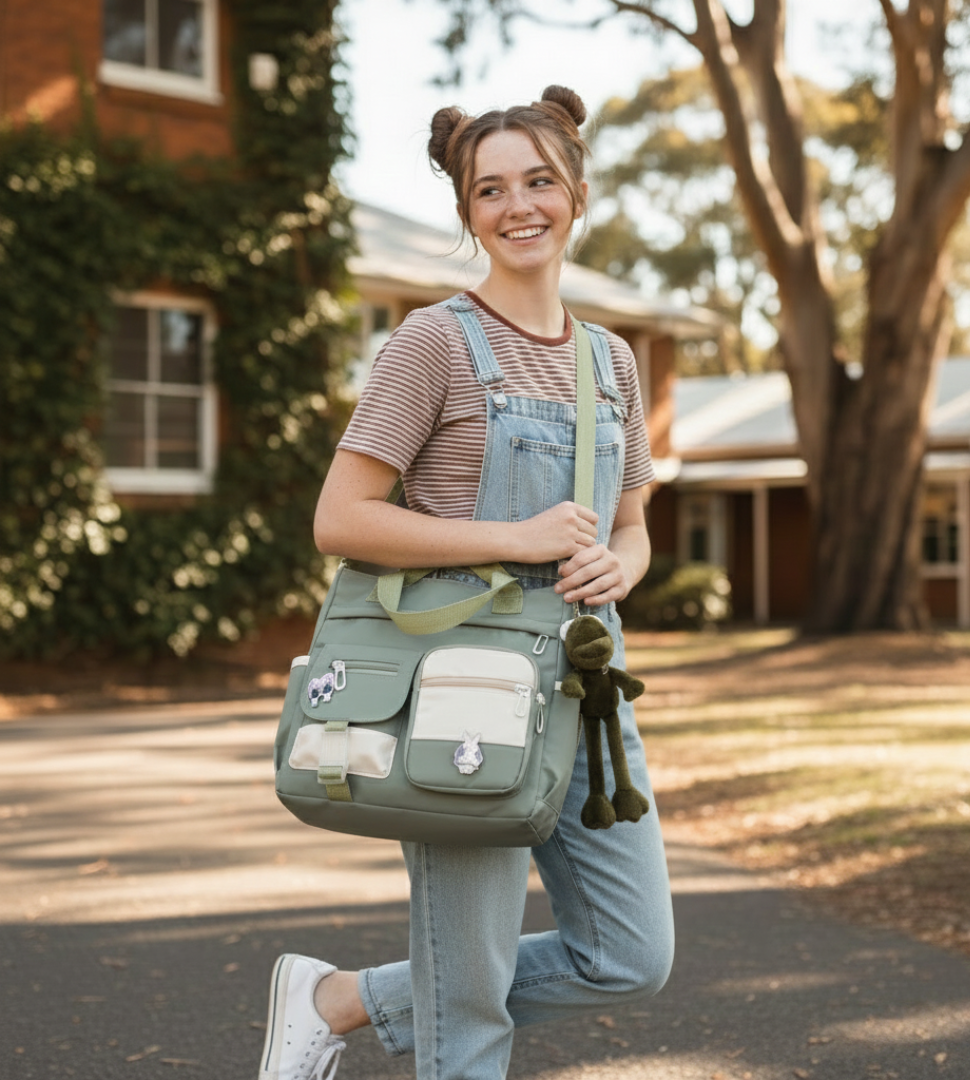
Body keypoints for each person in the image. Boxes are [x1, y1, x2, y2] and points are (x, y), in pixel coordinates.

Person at [257, 85, 674, 1080]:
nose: (518, 205)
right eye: (491, 190)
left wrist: (622, 566)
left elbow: (632, 526)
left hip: (589, 689)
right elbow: (340, 518)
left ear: (576, 192)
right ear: (467, 211)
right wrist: (515, 537)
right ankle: (388, 1005)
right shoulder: (433, 341)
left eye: (539, 181)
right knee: (472, 995)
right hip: (466, 685)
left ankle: (343, 999)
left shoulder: (612, 361)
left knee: (630, 956)